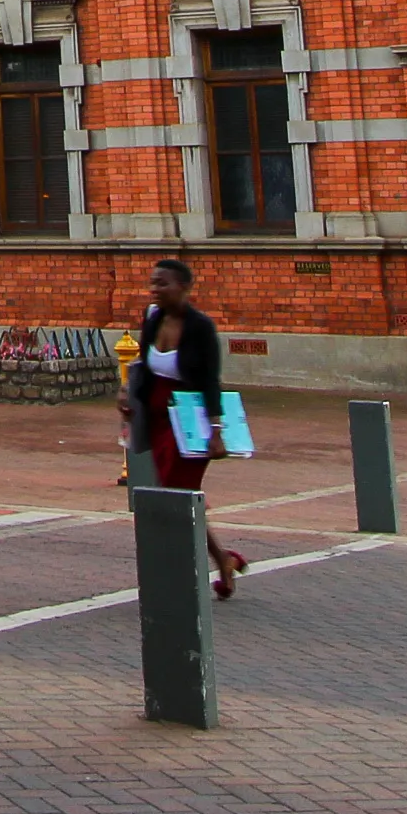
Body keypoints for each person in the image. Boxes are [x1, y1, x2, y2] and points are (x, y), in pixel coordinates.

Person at [119, 255, 245, 600]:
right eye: (153, 282)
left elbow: (210, 379)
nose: (154, 289)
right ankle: (221, 559)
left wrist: (216, 430)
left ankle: (182, 571)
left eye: (163, 283)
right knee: (180, 496)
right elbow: (143, 362)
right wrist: (126, 394)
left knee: (177, 494)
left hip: (191, 422)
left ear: (184, 287)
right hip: (158, 420)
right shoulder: (152, 318)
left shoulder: (200, 327)